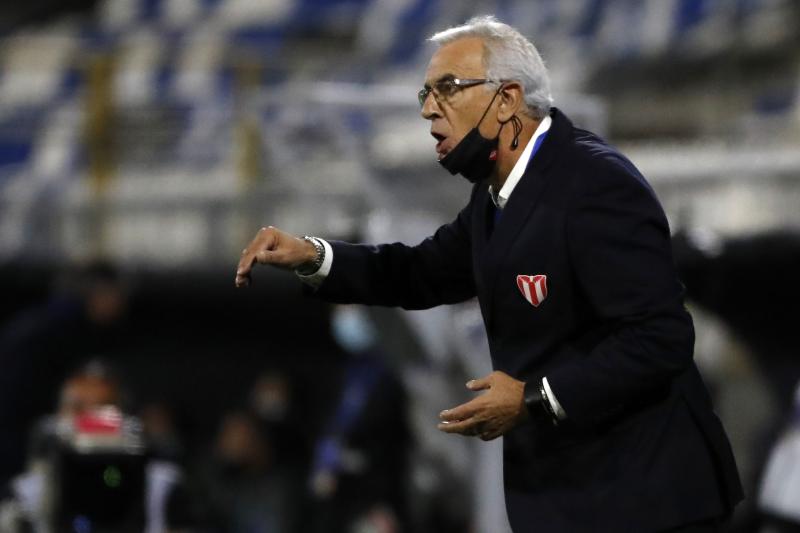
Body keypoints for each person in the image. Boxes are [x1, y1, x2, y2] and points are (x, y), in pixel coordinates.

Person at [235, 15, 743, 533]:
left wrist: (534, 396)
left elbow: (661, 337)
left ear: (507, 101)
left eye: (448, 89)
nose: (430, 108)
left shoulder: (595, 186)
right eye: (425, 93)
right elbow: (420, 271)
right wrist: (314, 256)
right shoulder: (495, 195)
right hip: (577, 500)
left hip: (646, 501)